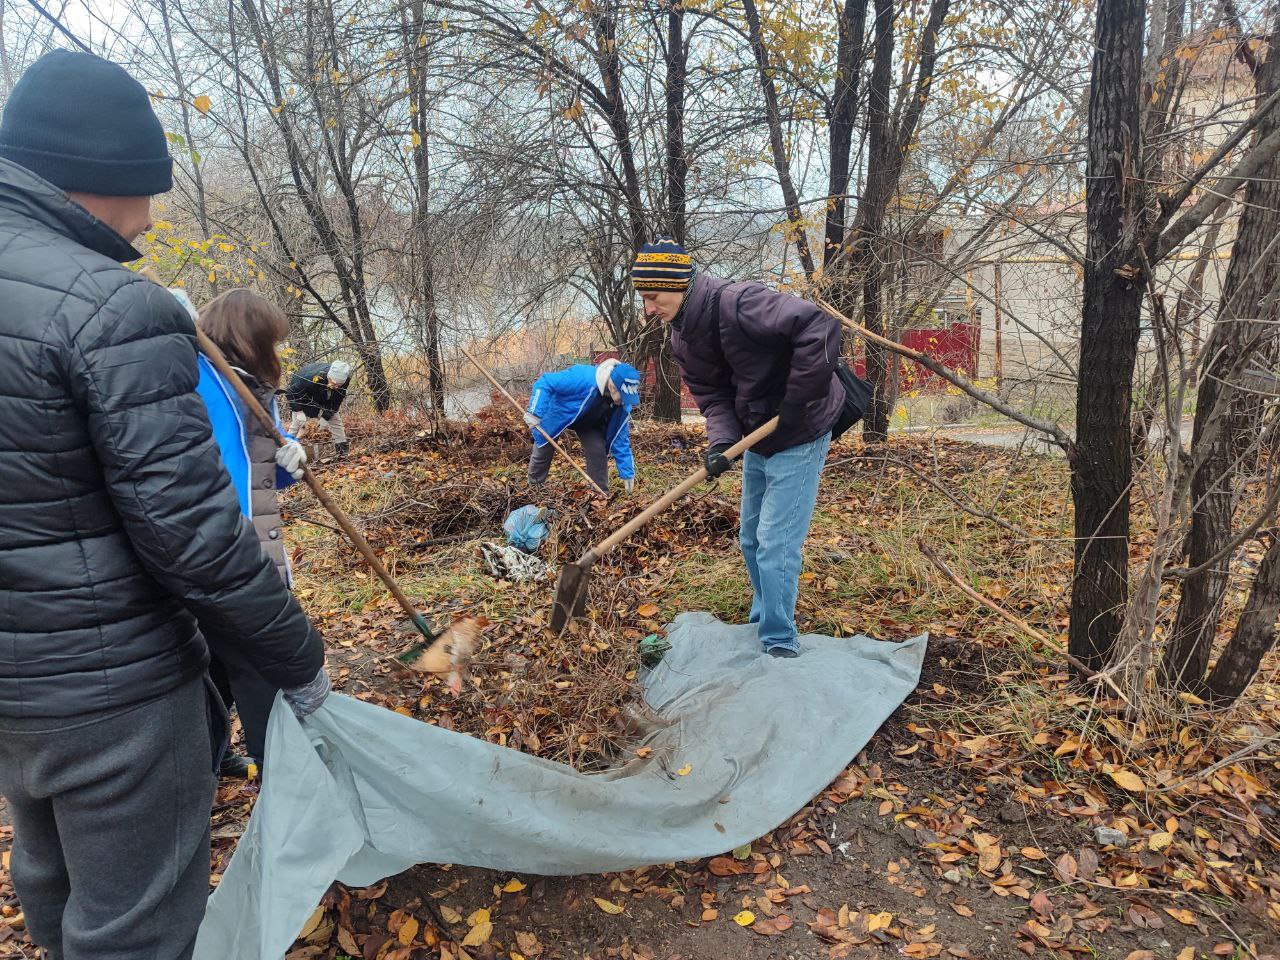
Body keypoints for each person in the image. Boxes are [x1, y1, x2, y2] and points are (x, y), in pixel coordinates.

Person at [0, 51, 329, 960]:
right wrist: (299, 660)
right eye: (147, 189)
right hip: (116, 690)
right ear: (98, 177)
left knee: (53, 881)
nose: (148, 221)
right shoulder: (110, 306)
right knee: (137, 927)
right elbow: (194, 538)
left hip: (15, 687)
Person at [633, 236, 842, 657]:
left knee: (775, 543)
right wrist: (723, 443)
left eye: (653, 297)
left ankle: (780, 642)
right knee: (750, 537)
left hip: (800, 428)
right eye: (643, 299)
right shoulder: (682, 338)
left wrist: (797, 400)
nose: (648, 309)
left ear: (678, 285)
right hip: (758, 435)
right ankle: (765, 617)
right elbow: (713, 399)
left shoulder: (740, 302)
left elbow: (818, 327)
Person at [193, 289, 310, 775]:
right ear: (249, 338)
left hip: (256, 545)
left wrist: (294, 458)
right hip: (215, 551)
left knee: (218, 667)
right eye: (273, 342)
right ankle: (280, 775)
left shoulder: (253, 389)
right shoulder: (193, 378)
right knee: (254, 668)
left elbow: (265, 469)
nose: (278, 354)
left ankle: (214, 760)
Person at [524, 358, 642, 494]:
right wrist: (534, 411)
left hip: (588, 422)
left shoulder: (623, 403)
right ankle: (534, 489)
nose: (624, 400)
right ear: (612, 385)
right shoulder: (582, 377)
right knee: (544, 448)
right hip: (559, 412)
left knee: (598, 451)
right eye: (622, 395)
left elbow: (620, 437)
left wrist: (627, 471)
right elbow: (545, 381)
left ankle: (600, 494)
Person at [286, 358, 353, 455]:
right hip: (304, 395)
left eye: (338, 385)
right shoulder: (310, 378)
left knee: (335, 419)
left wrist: (325, 418)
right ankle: (286, 449)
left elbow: (336, 401)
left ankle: (342, 452)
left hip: (325, 395)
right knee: (297, 423)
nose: (335, 386)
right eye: (333, 383)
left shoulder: (345, 379)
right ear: (329, 376)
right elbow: (290, 392)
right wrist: (299, 411)